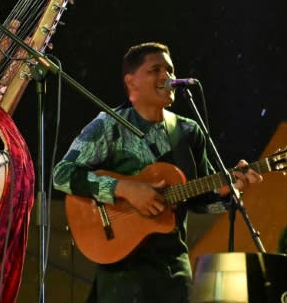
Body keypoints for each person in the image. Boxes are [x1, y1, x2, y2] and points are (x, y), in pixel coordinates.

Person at [52, 42, 263, 303]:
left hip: (173, 270)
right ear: (131, 82)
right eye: (155, 70)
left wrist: (227, 191)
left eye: (170, 70)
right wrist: (125, 188)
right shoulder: (109, 125)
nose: (168, 77)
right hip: (122, 273)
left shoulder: (188, 131)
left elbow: (200, 201)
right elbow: (61, 174)